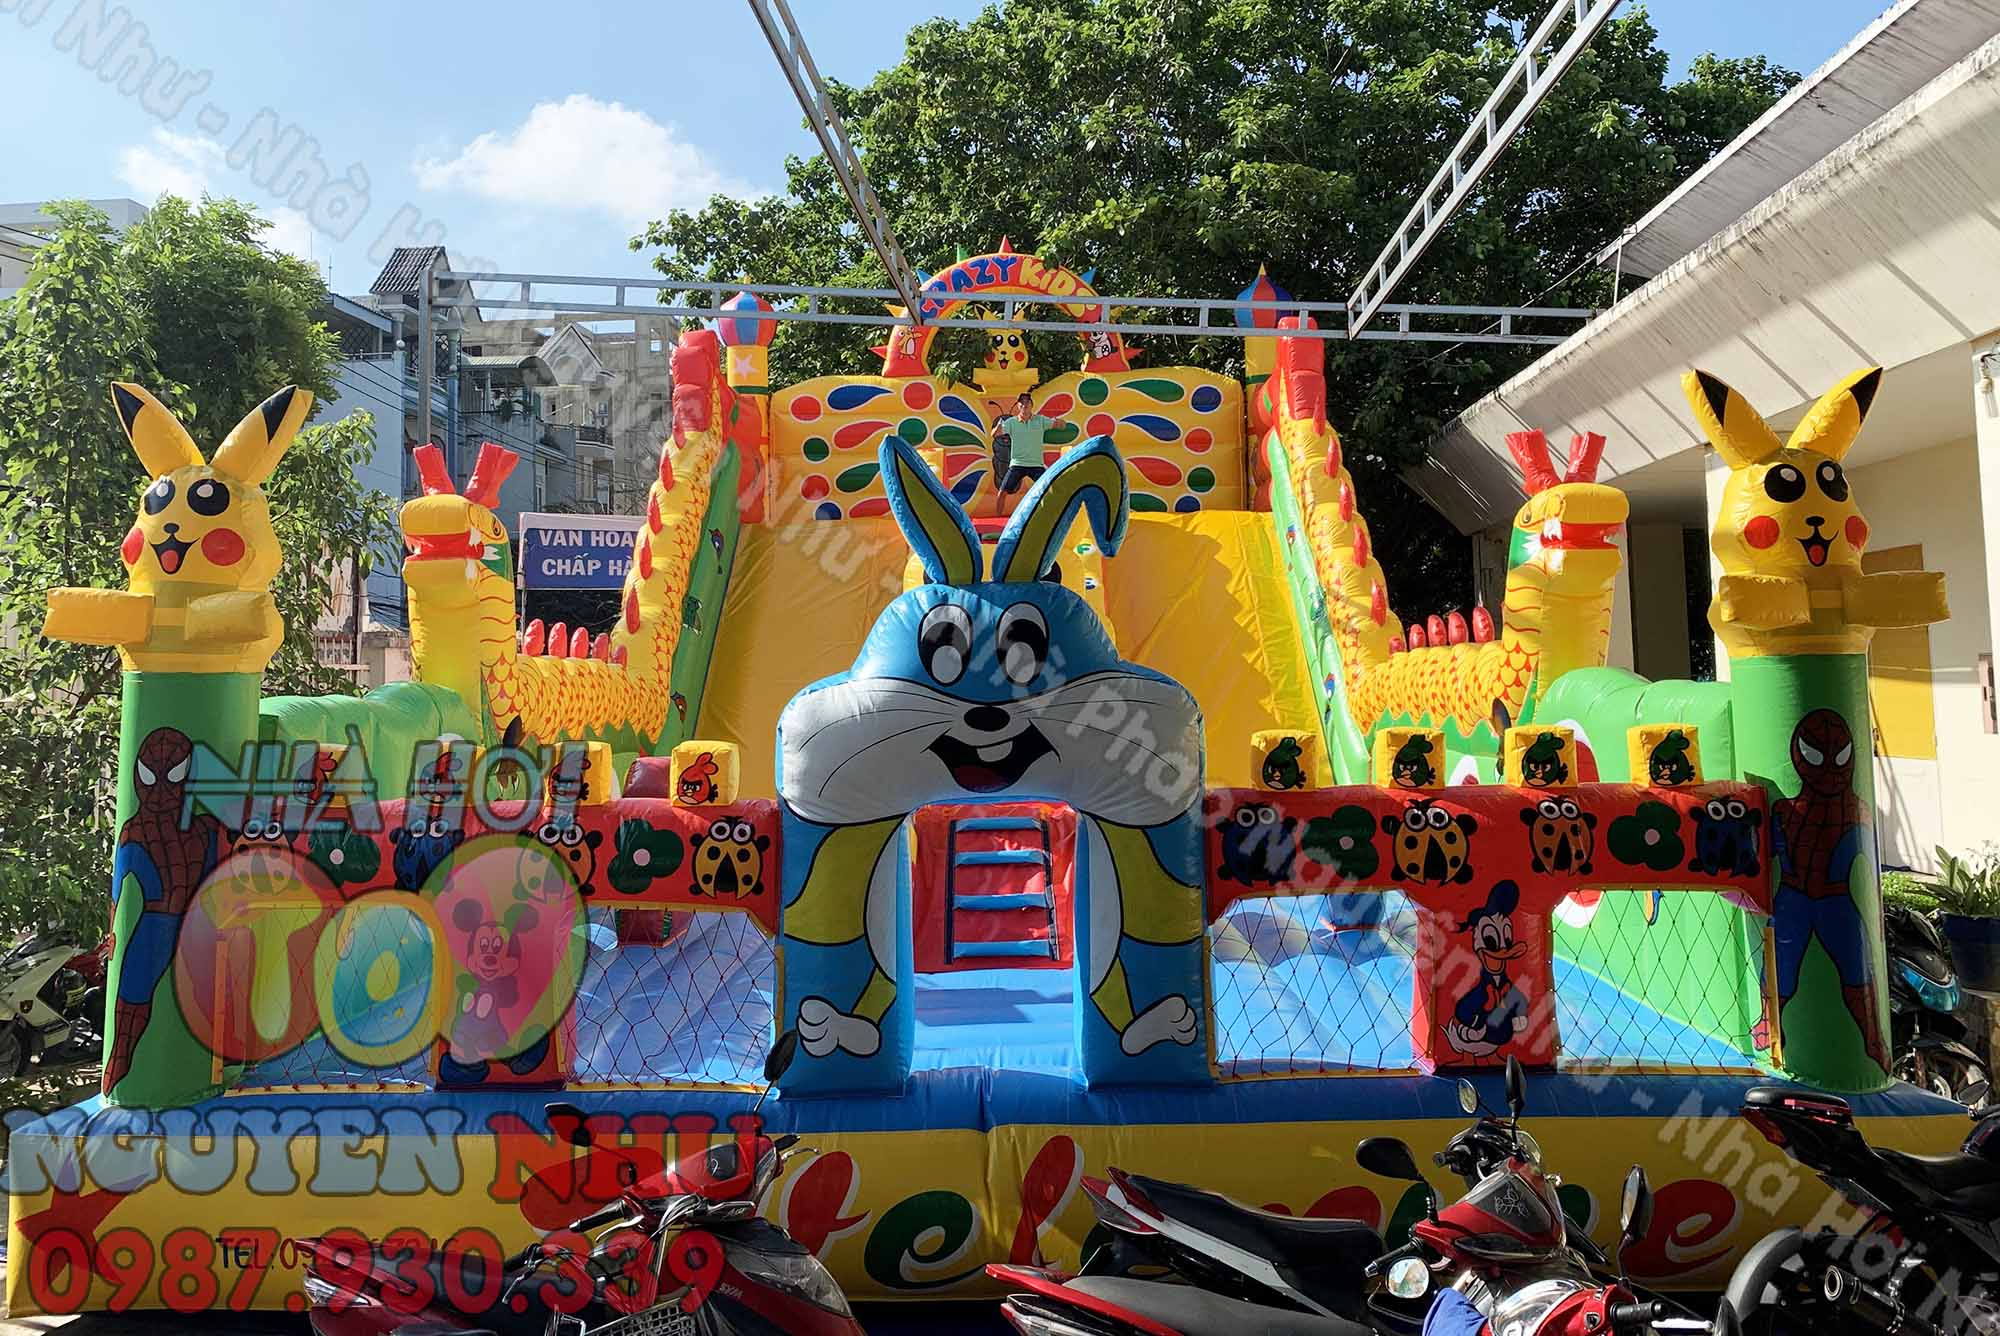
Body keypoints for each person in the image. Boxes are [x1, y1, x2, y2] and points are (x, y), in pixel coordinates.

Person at [991, 392, 1064, 515]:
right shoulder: (1011, 422)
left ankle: (1053, 516)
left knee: (1050, 489)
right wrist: (997, 428)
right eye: (1022, 403)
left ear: (1031, 405)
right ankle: (997, 520)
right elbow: (994, 435)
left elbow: (1062, 426)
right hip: (1017, 464)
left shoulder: (1040, 420)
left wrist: (1060, 422)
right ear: (1018, 406)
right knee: (1002, 492)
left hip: (1036, 465)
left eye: (1027, 402)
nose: (1024, 405)